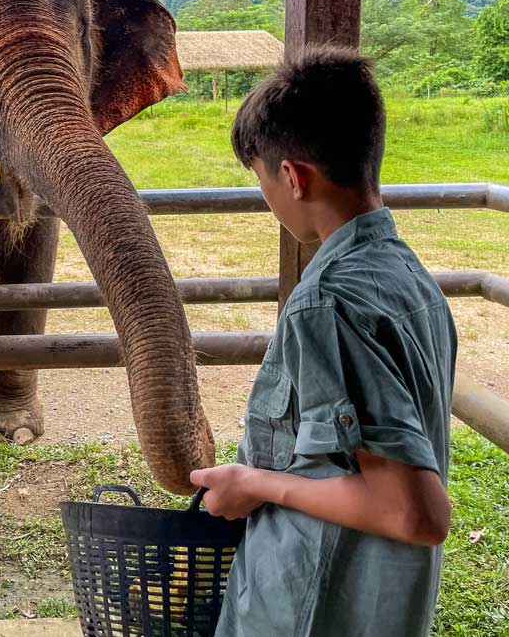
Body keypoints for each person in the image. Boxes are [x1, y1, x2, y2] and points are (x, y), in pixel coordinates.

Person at [191, 46, 456, 637]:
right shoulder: (411, 280)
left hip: (313, 606)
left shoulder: (327, 305)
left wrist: (253, 484)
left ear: (292, 176)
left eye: (263, 181)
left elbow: (413, 512)